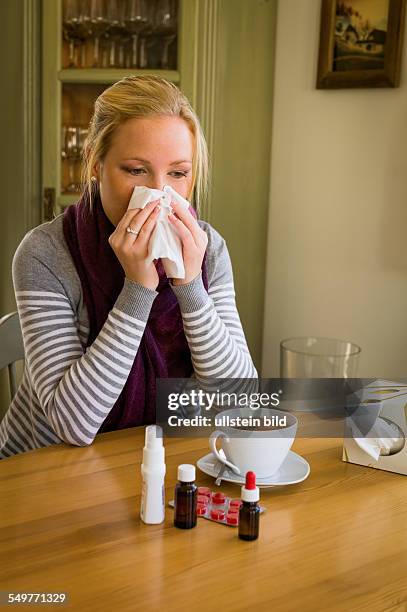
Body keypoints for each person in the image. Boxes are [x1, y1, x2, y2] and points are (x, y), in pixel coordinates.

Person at [0, 75, 257, 459]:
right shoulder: (45, 253)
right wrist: (137, 290)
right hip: (43, 468)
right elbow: (72, 424)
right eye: (136, 171)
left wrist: (189, 286)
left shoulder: (208, 249)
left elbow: (240, 398)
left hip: (157, 458)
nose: (158, 193)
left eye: (177, 173)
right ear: (94, 163)